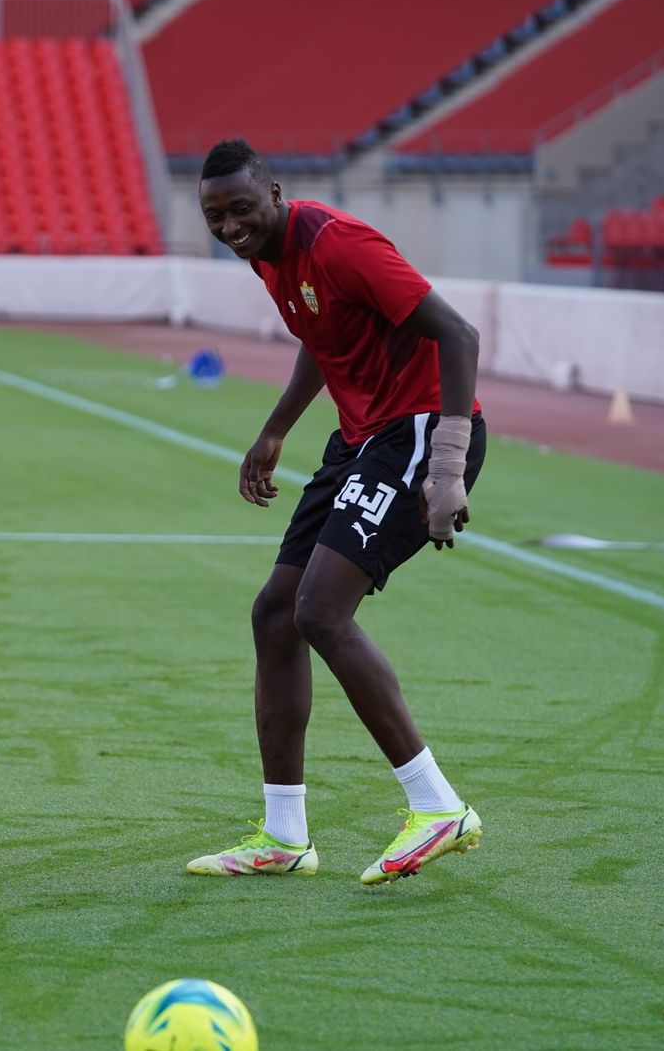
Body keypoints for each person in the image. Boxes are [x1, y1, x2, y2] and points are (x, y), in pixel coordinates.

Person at [186, 140, 486, 886]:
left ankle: (438, 806)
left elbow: (459, 334)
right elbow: (323, 338)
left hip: (418, 430)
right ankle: (285, 836)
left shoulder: (338, 243)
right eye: (214, 217)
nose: (229, 228)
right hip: (359, 439)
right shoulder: (268, 255)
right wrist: (276, 428)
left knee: (321, 612)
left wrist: (446, 467)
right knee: (275, 614)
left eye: (241, 210)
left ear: (276, 194)